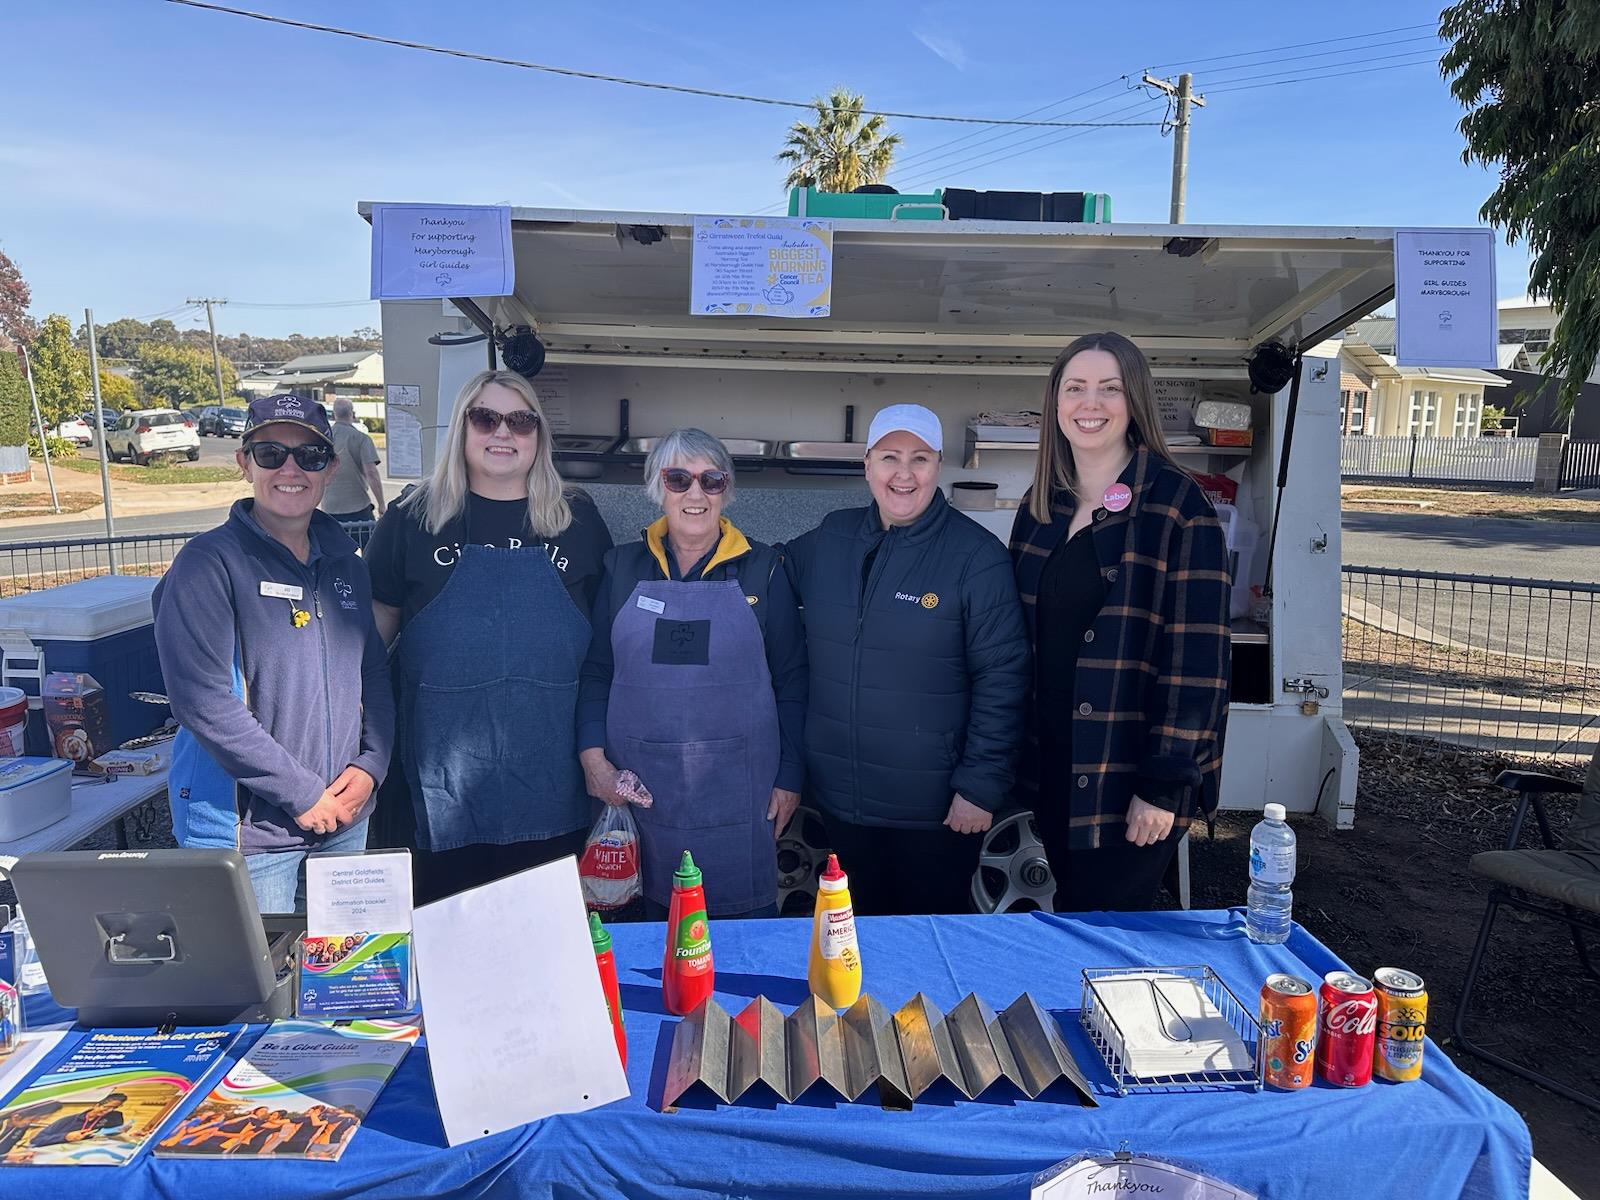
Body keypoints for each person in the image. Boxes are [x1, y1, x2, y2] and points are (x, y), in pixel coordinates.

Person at [366, 369, 614, 903]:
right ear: (462, 427)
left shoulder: (578, 518)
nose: (503, 433)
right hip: (441, 784)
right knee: (447, 936)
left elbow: (603, 652)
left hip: (553, 775)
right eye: (486, 418)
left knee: (544, 935)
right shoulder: (411, 518)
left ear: (539, 435)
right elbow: (370, 642)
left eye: (521, 421)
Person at [1010, 331, 1230, 912]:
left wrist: (1164, 784)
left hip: (1129, 778)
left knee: (1109, 934)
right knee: (1071, 921)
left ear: (1134, 401)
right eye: (1075, 388)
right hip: (1055, 766)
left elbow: (1199, 665)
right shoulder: (1042, 505)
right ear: (1056, 401)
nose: (1091, 404)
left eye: (1109, 388)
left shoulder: (1178, 507)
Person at [154, 393, 394, 914]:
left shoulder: (346, 565)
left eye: (309, 456)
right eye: (270, 454)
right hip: (248, 837)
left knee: (341, 965)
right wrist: (303, 795)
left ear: (331, 468)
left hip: (343, 820)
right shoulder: (207, 565)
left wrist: (372, 766)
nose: (291, 469)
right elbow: (203, 703)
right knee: (259, 971)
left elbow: (372, 672)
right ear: (245, 464)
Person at [785, 405, 1029, 915]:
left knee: (927, 943)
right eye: (889, 457)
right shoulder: (831, 537)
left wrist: (980, 787)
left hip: (934, 811)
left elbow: (1003, 679)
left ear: (938, 465)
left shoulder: (976, 557)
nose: (904, 473)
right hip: (842, 800)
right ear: (867, 465)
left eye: (919, 458)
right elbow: (762, 573)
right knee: (853, 939)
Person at [578, 430, 805, 919]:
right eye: (678, 479)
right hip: (636, 788)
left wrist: (790, 775)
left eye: (711, 479)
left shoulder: (765, 569)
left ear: (727, 489)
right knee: (643, 937)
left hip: (740, 791)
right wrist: (593, 760)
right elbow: (597, 670)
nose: (695, 493)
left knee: (738, 939)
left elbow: (793, 680)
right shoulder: (621, 567)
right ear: (657, 487)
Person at [319, 397, 386, 526]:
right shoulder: (362, 438)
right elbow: (371, 473)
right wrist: (381, 504)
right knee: (364, 536)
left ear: (334, 414)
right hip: (358, 506)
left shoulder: (324, 439)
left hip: (330, 507)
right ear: (352, 414)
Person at [29, 1094, 126, 1147]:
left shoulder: (114, 1117)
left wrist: (121, 1132)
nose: (109, 1111)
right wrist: (66, 1137)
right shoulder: (67, 1121)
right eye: (107, 1107)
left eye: (114, 1108)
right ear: (96, 1105)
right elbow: (36, 1140)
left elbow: (115, 1134)